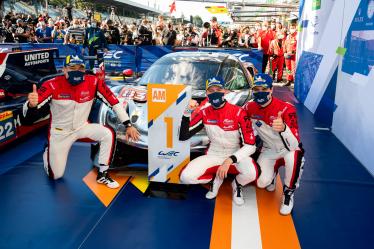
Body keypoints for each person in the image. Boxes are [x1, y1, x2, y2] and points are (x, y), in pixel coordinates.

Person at [23, 55, 140, 188]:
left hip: (82, 127)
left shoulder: (94, 82)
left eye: (80, 68)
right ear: (64, 69)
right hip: (60, 133)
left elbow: (114, 102)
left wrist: (128, 124)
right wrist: (31, 104)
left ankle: (103, 174)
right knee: (56, 175)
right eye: (72, 67)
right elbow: (34, 104)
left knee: (108, 133)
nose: (77, 71)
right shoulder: (51, 84)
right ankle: (47, 152)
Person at [179, 77, 259, 205]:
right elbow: (183, 136)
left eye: (218, 89)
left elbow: (251, 146)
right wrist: (187, 112)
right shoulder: (204, 113)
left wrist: (229, 160)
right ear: (207, 94)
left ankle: (237, 184)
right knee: (185, 177)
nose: (215, 92)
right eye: (211, 90)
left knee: (252, 173)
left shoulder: (238, 112)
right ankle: (214, 181)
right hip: (213, 154)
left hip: (235, 154)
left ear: (225, 91)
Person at [243, 73, 305, 215]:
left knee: (295, 157)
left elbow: (294, 143)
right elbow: (235, 116)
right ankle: (272, 175)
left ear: (271, 90)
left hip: (289, 149)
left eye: (263, 88)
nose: (260, 92)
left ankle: (288, 193)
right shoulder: (249, 107)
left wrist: (284, 129)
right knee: (261, 183)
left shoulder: (286, 108)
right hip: (269, 149)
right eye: (256, 89)